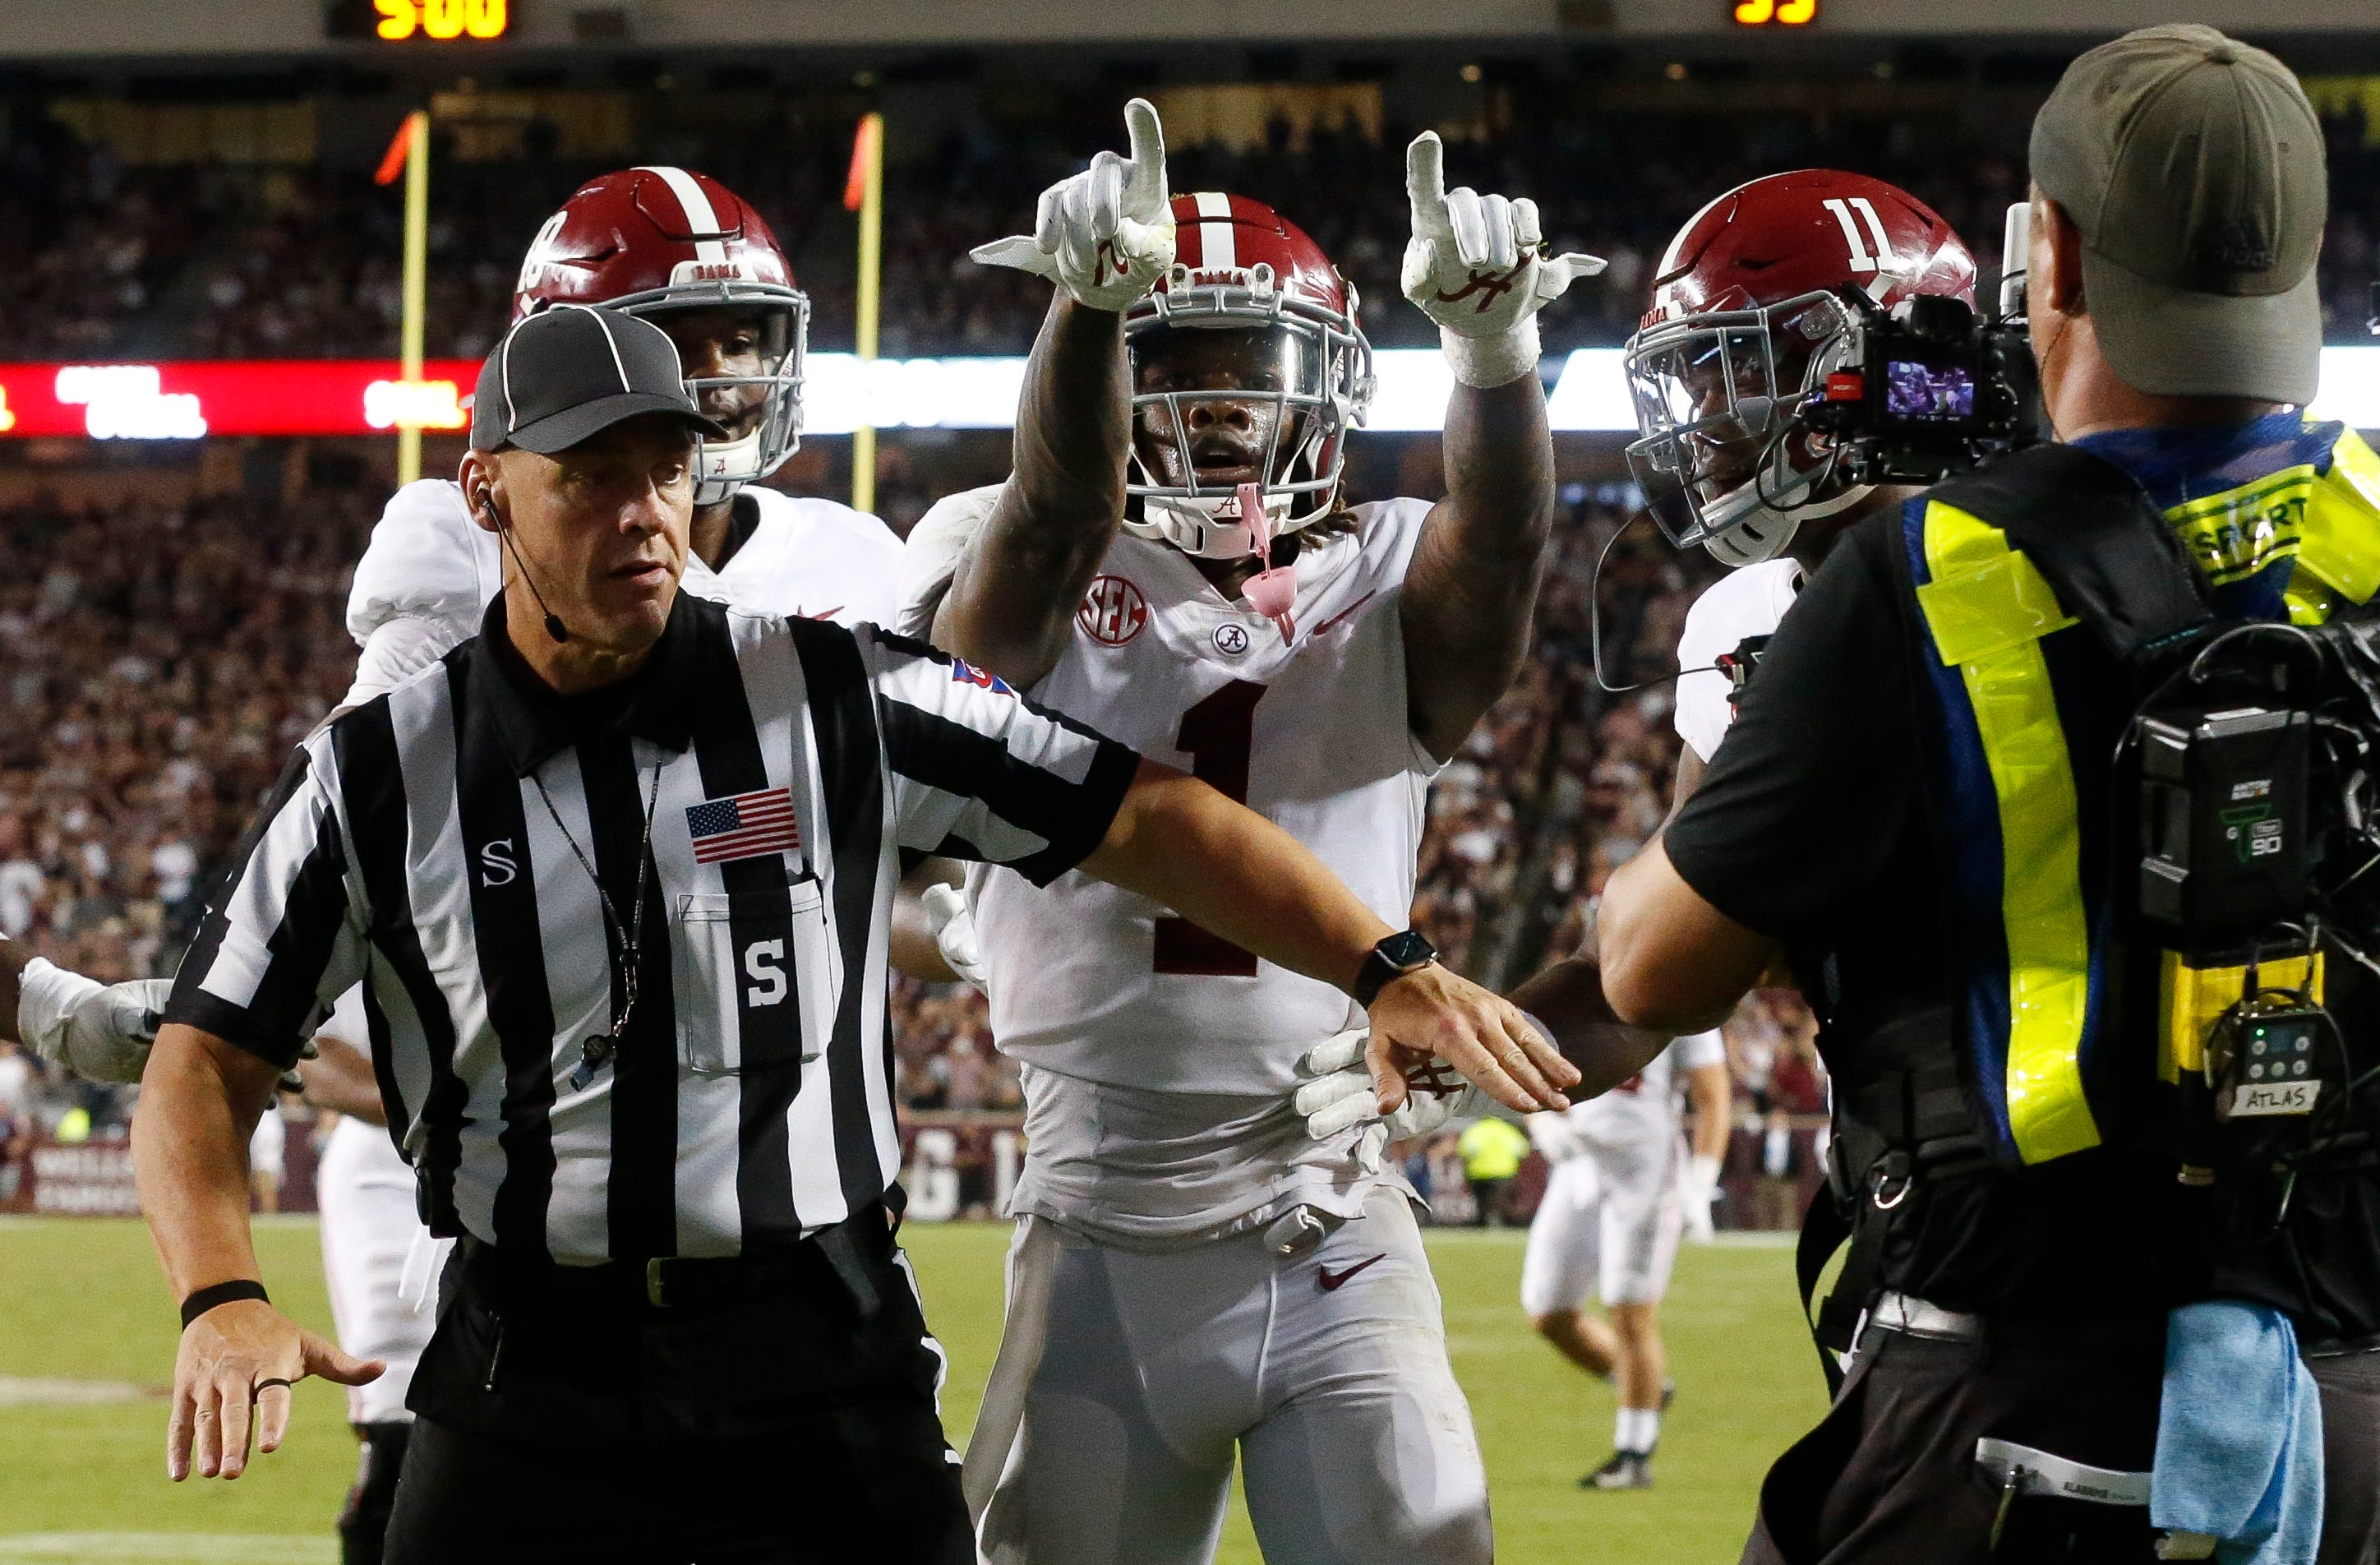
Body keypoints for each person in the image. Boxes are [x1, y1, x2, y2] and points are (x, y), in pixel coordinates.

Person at [133, 303, 1575, 1565]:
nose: (643, 510)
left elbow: (1137, 811)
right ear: (489, 496)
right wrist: (222, 1289)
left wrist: (1385, 963)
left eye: (665, 467)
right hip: (527, 1360)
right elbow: (207, 1052)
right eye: (590, 476)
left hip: (812, 1346)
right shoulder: (384, 766)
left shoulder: (833, 689)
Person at [1597, 27, 2370, 1563]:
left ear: (2055, 251)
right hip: (2352, 1383)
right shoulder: (2370, 524)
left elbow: (1653, 965)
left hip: (2020, 1393)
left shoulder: (1932, 567)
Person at [902, 99, 1599, 1564]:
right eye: (1178, 366)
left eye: (1250, 370)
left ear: (1328, 394)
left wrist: (1493, 358)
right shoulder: (1002, 548)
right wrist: (1087, 320)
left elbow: (1504, 546)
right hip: (1093, 1213)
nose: (1218, 407)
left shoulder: (1392, 572)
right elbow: (1045, 524)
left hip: (1327, 1199)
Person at [315, 163, 948, 1565]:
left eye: (743, 336)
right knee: (413, 1480)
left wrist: (949, 926)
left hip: (784, 1207)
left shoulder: (852, 553)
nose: (723, 375)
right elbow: (392, 793)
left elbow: (829, 875)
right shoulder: (459, 526)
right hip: (523, 1174)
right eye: (683, 337)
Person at [1521, 1028, 1728, 1489]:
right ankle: (1647, 1387)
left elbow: (1713, 1096)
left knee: (1630, 1311)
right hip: (1578, 1161)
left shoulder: (1682, 994)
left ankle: (1634, 1454)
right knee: (1548, 1313)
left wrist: (1702, 1179)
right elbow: (1523, 1061)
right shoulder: (1580, 981)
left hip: (1645, 1168)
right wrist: (1539, 1121)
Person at [1456, 1112, 1528, 1226]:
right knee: (1501, 1202)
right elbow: (1522, 1151)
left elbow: (1466, 1151)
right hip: (1504, 1173)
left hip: (1479, 1174)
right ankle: (1501, 1222)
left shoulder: (1476, 1130)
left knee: (1483, 1202)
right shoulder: (1507, 1130)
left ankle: (1484, 1222)